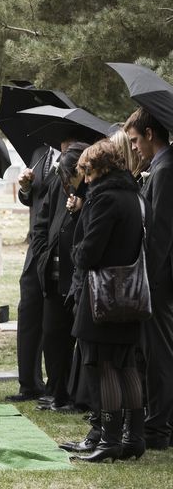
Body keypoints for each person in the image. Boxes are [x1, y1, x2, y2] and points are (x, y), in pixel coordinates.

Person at [69, 140, 148, 462]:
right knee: (126, 364)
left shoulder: (103, 198)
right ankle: (134, 437)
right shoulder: (134, 196)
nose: (85, 178)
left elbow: (90, 252)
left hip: (102, 294)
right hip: (131, 293)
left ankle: (110, 440)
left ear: (100, 168)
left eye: (87, 171)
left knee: (104, 366)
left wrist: (76, 251)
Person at [124, 107, 173, 451]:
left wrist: (147, 279)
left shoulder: (166, 169)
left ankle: (159, 427)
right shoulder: (159, 167)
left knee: (160, 356)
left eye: (135, 140)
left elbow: (160, 233)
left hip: (158, 279)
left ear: (150, 134)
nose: (134, 147)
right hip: (156, 277)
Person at [30, 142, 89, 412]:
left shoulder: (91, 192)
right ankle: (56, 391)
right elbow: (41, 222)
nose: (67, 182)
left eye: (70, 176)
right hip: (53, 274)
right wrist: (43, 253)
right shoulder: (57, 185)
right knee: (52, 335)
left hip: (77, 276)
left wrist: (80, 209)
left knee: (77, 339)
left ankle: (75, 395)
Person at [7, 144, 56, 401]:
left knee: (54, 321)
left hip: (58, 246)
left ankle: (57, 387)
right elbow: (31, 198)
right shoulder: (39, 154)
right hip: (35, 249)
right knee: (28, 313)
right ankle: (29, 384)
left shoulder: (76, 152)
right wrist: (25, 187)